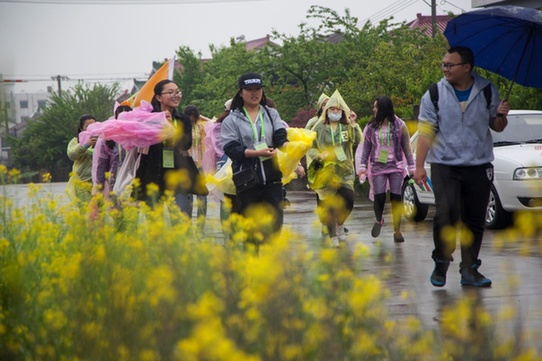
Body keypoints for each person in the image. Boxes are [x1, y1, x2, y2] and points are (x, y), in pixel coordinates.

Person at [414, 46, 510, 287]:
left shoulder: (488, 90)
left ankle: (469, 269)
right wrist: (419, 166)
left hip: (478, 165)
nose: (445, 68)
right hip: (445, 165)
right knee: (446, 214)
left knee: (474, 219)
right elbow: (426, 131)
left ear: (466, 67)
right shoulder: (434, 93)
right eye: (443, 64)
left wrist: (501, 114)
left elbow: (498, 126)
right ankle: (442, 260)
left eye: (450, 65)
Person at [221, 72, 289, 247]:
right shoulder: (232, 120)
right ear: (241, 92)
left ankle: (267, 261)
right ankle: (252, 269)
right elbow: (231, 149)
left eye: (258, 89)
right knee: (251, 231)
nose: (254, 93)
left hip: (272, 178)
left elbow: (280, 135)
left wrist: (289, 147)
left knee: (275, 224)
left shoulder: (271, 113)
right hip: (247, 181)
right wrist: (256, 153)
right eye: (249, 89)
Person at [306, 90, 362, 247]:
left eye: (338, 109)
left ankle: (340, 224)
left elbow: (358, 140)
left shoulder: (346, 127)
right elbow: (309, 146)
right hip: (326, 171)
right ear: (326, 111)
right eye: (332, 109)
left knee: (349, 200)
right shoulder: (319, 127)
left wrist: (353, 123)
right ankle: (332, 236)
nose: (335, 112)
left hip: (345, 170)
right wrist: (318, 154)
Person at [357, 96, 415, 243]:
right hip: (377, 166)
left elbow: (407, 147)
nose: (373, 110)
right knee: (380, 197)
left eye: (376, 107)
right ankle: (378, 220)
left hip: (396, 166)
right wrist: (363, 166)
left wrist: (412, 166)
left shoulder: (399, 125)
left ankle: (397, 231)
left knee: (396, 198)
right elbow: (366, 148)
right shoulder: (371, 127)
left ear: (383, 108)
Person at [134, 79, 193, 216]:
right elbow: (139, 141)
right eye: (171, 92)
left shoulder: (183, 119)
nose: (176, 95)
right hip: (152, 176)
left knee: (181, 222)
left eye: (178, 92)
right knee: (155, 226)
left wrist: (170, 126)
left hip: (178, 177)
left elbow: (186, 144)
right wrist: (158, 121)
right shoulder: (148, 118)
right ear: (159, 97)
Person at [92, 103, 132, 199]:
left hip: (133, 181)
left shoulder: (140, 137)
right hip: (114, 182)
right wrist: (99, 185)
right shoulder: (108, 139)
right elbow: (102, 163)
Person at [184, 104, 210, 229]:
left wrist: (201, 117)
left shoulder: (201, 126)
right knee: (188, 197)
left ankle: (200, 227)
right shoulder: (182, 127)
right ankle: (187, 226)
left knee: (202, 197)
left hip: (200, 165)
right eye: (190, 117)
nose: (192, 119)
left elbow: (213, 123)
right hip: (187, 165)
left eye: (194, 117)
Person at [67, 114, 98, 202]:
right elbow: (72, 155)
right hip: (82, 182)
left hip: (98, 183)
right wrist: (86, 144)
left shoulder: (102, 140)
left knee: (99, 212)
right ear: (81, 128)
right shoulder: (75, 141)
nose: (91, 129)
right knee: (86, 211)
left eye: (94, 126)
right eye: (87, 126)